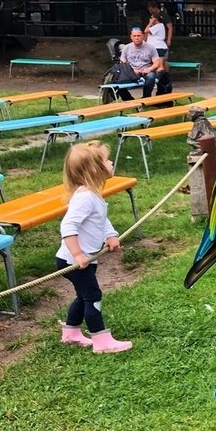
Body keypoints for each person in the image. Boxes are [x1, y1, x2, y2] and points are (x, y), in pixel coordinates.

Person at [56, 141, 132, 354]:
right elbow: (68, 225)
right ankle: (101, 341)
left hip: (84, 258)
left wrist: (110, 235)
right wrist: (78, 253)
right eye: (106, 160)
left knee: (83, 296)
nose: (111, 162)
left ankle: (70, 333)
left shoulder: (92, 195)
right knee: (93, 296)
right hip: (74, 260)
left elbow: (100, 219)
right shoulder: (85, 197)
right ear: (94, 169)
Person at [118, 27, 159, 99]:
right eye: (134, 36)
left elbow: (157, 63)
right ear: (131, 37)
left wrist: (150, 69)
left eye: (138, 36)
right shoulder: (126, 48)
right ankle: (128, 100)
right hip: (132, 72)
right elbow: (122, 64)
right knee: (118, 80)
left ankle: (146, 98)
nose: (137, 38)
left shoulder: (150, 47)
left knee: (151, 76)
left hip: (146, 71)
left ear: (142, 36)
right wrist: (131, 71)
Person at [145, 0, 173, 95]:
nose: (150, 11)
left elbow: (170, 27)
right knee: (160, 64)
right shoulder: (154, 25)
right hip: (156, 45)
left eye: (151, 9)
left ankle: (164, 82)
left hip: (160, 45)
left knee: (161, 65)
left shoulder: (162, 17)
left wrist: (169, 39)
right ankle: (163, 81)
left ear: (154, 7)